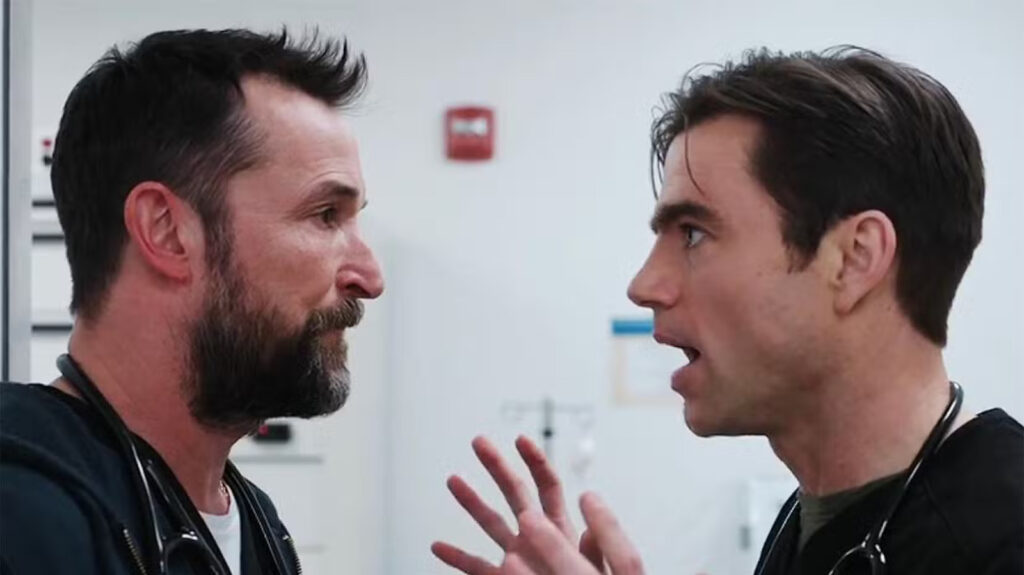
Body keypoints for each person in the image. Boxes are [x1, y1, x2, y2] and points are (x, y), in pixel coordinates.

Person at [432, 47, 1023, 574]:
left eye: (693, 233)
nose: (643, 286)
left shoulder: (1004, 538)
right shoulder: (814, 521)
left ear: (854, 259)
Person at [0, 28, 383, 575]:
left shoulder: (254, 523)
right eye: (325, 216)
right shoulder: (21, 515)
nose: (370, 277)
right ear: (167, 231)